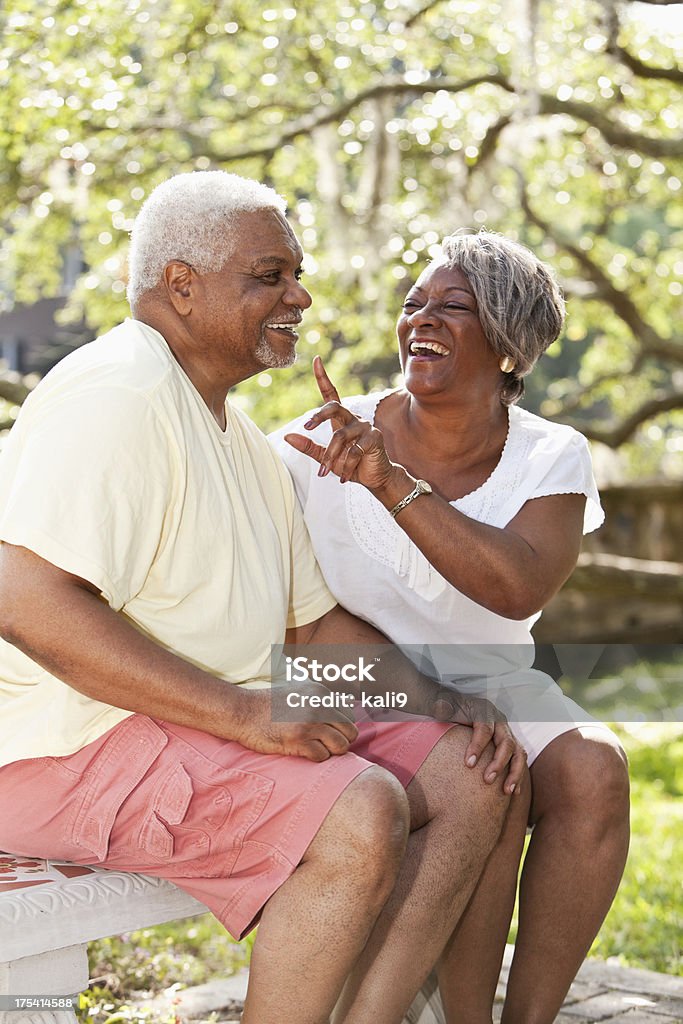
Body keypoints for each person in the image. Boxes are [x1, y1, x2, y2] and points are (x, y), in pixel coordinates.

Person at [0, 173, 527, 1024]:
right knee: (358, 814)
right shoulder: (116, 395)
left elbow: (315, 627)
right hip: (59, 745)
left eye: (296, 273)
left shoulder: (237, 434)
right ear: (181, 286)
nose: (300, 295)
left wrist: (438, 698)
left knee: (470, 775)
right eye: (270, 276)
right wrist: (243, 716)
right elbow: (26, 602)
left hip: (182, 716)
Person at [272, 230, 631, 1024]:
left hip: (494, 672)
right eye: (413, 304)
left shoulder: (550, 456)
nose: (420, 319)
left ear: (508, 344)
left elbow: (515, 587)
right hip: (358, 675)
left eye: (452, 306)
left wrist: (390, 482)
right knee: (490, 770)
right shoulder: (326, 437)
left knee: (594, 772)